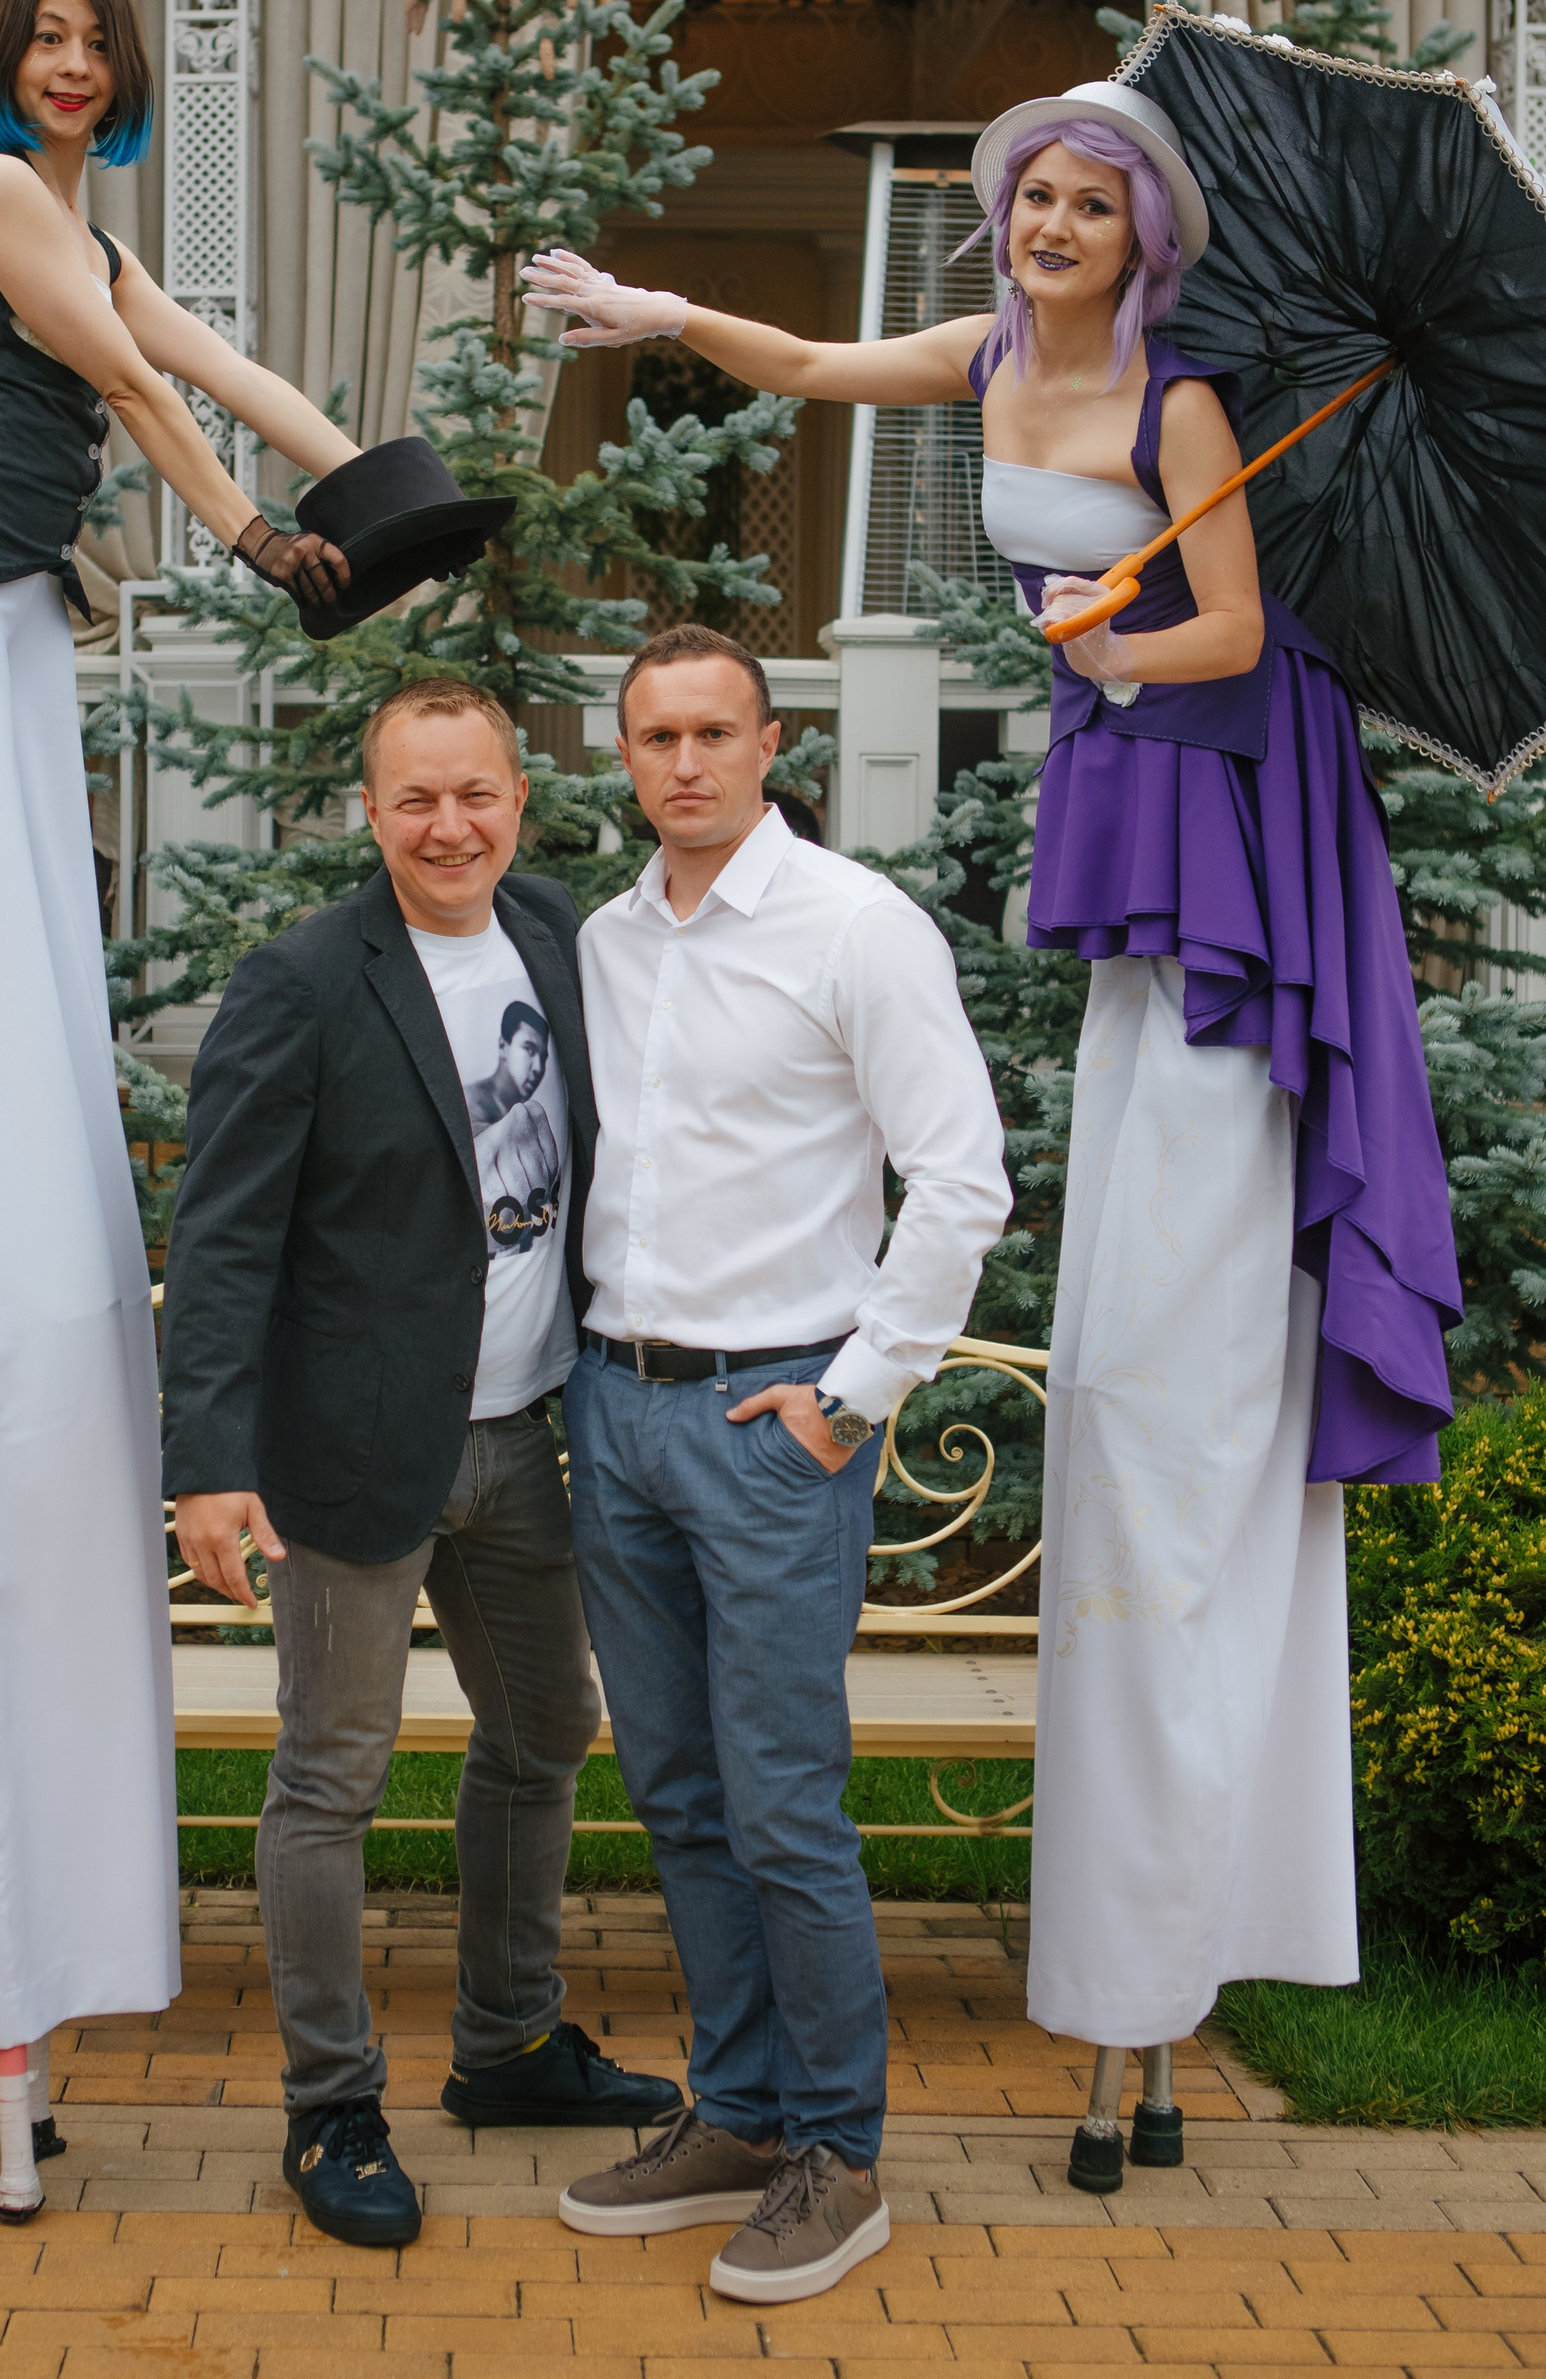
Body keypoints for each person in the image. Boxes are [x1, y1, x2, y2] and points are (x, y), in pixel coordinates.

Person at [523, 88, 1459, 2191]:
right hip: (1114, 749)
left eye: (1087, 204)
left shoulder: (1188, 403)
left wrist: (1109, 642)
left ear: (1144, 238)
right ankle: (787, 2102)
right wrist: (658, 310)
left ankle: (867, 2120)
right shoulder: (988, 357)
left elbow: (1232, 628)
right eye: (1031, 194)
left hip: (1210, 768)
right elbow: (802, 361)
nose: (1049, 222)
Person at [0, 0, 359, 2226]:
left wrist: (372, 480)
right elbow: (129, 380)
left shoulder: (90, 218)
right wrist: (256, 537)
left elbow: (210, 351)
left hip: (22, 617)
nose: (66, 62)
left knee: (35, 941)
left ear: (118, 79)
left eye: (92, 45)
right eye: (44, 35)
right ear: (4, 58)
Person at [157, 680, 681, 2251]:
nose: (449, 827)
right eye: (415, 800)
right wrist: (208, 1463)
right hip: (353, 1449)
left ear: (521, 797)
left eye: (476, 794)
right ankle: (331, 2105)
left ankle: (508, 2046)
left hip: (527, 1436)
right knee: (332, 1775)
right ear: (369, 812)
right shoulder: (304, 982)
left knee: (546, 1732)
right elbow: (224, 1237)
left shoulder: (559, 937)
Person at [549, 623, 1010, 2306]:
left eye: (715, 734)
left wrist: (853, 1394)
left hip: (771, 1427)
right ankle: (737, 2113)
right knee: (677, 1793)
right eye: (655, 737)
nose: (685, 763)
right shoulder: (604, 940)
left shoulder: (854, 928)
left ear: (769, 747)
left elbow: (961, 1179)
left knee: (784, 1805)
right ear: (624, 757)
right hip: (618, 1408)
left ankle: (838, 2152)